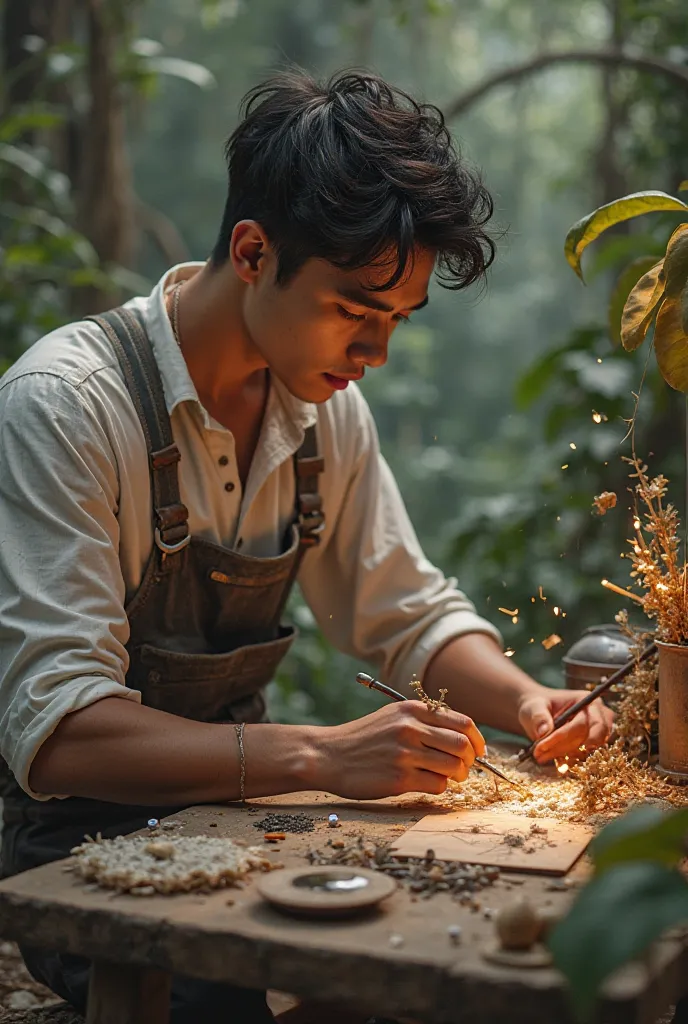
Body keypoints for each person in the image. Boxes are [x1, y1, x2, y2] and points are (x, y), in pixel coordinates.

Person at [0, 69, 612, 1022]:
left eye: (395, 321)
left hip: (253, 817)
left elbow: (406, 613)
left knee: (454, 950)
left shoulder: (326, 411)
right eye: (354, 310)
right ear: (252, 251)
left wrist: (529, 702)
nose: (374, 353)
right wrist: (322, 756)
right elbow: (64, 734)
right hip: (83, 842)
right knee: (220, 995)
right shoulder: (68, 406)